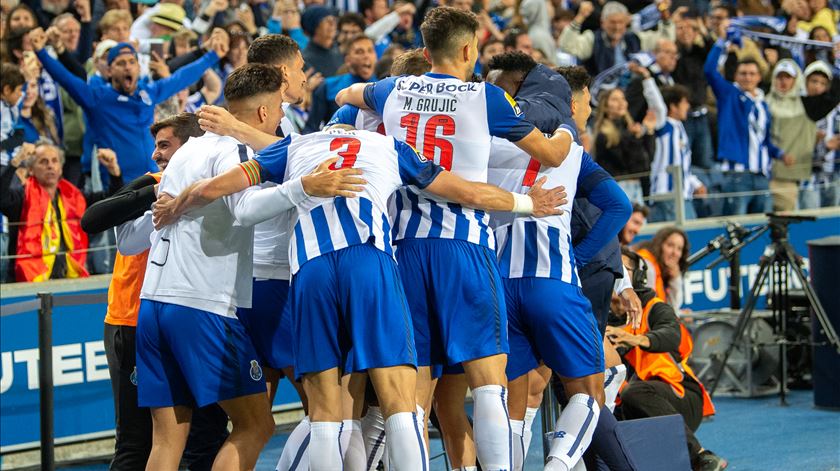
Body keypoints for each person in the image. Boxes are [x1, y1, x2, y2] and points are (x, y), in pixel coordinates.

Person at [152, 119, 567, 471]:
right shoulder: (388, 144)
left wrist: (176, 206)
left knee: (325, 411)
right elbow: (469, 193)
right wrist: (528, 203)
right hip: (369, 261)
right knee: (400, 399)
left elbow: (216, 189)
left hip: (310, 270)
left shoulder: (294, 147)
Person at [336, 7, 580, 469]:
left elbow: (350, 92)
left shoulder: (390, 89)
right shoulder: (483, 97)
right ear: (469, 48)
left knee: (411, 396)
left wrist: (351, 109)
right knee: (489, 382)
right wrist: (567, 125)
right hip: (464, 243)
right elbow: (549, 152)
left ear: (425, 51)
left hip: (403, 249)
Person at [121, 63, 364, 470]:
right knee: (256, 424)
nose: (283, 119)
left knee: (166, 441)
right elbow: (245, 210)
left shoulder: (188, 150)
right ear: (265, 113)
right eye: (281, 112)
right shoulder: (236, 149)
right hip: (202, 305)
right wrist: (302, 187)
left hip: (153, 304)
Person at [486, 60, 633, 471]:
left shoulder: (480, 145)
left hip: (496, 285)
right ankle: (559, 466)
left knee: (512, 405)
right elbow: (618, 205)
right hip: (552, 279)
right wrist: (580, 256)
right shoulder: (570, 148)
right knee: (589, 390)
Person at [80, 113, 230, 470]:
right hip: (132, 320)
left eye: (164, 145)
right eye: (156, 145)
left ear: (190, 147)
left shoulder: (219, 183)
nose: (155, 154)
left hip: (188, 319)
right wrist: (166, 191)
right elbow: (120, 239)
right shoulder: (151, 182)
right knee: (137, 442)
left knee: (205, 432)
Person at [29, 26, 230, 182]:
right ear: (109, 71)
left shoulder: (147, 93)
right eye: (121, 63)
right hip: (114, 184)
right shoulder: (96, 97)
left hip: (151, 179)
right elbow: (65, 78)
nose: (128, 67)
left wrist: (213, 55)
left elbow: (180, 78)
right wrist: (41, 52)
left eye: (132, 62)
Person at [606, 247, 726, 471]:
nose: (615, 273)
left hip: (681, 395)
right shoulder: (599, 316)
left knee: (636, 391)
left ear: (638, 278)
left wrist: (635, 339)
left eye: (623, 269)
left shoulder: (654, 307)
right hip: (629, 403)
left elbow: (672, 335)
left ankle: (700, 456)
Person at [0, 142, 122, 282]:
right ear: (31, 170)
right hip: (28, 281)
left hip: (70, 278)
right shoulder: (22, 197)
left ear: (60, 169)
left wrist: (114, 172)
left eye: (54, 161)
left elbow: (110, 203)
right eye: (43, 162)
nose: (50, 166)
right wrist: (16, 160)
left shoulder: (75, 197)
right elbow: (1, 197)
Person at [703, 29, 794, 216]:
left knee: (761, 227)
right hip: (737, 175)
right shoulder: (729, 94)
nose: (748, 77)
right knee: (738, 228)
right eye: (743, 73)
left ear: (759, 77)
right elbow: (709, 70)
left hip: (761, 174)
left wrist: (780, 153)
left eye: (752, 74)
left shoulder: (763, 104)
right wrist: (722, 40)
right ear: (736, 76)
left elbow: (764, 139)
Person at [631, 63, 706, 222]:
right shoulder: (664, 125)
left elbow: (683, 164)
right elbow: (657, 105)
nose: (688, 106)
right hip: (665, 195)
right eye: (685, 103)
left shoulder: (681, 128)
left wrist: (695, 183)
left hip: (684, 196)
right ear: (673, 106)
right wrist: (647, 79)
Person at [767, 59, 840, 211]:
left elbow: (834, 95)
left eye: (788, 77)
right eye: (780, 77)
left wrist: (838, 61)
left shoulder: (808, 105)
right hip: (770, 173)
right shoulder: (762, 102)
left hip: (802, 174)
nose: (783, 82)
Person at [558, 1, 676, 77]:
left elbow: (667, 40)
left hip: (628, 97)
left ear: (626, 23)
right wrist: (580, 16)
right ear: (603, 23)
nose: (617, 27)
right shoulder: (592, 39)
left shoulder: (634, 39)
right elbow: (567, 45)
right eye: (613, 22)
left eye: (621, 22)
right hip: (598, 98)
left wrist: (665, 14)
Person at [304, 34, 377, 133]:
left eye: (370, 51)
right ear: (348, 60)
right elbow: (311, 128)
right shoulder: (328, 86)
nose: (366, 56)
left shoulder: (384, 88)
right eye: (359, 52)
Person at [592, 87, 653, 205]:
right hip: (619, 187)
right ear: (605, 106)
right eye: (615, 99)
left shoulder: (629, 130)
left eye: (623, 99)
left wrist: (649, 133)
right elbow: (631, 164)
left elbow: (648, 160)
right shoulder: (604, 135)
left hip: (637, 187)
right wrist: (635, 138)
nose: (621, 103)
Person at [635, 226, 689, 311]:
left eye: (679, 248)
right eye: (670, 245)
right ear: (659, 245)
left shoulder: (664, 269)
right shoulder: (646, 265)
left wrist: (675, 278)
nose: (675, 253)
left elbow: (672, 307)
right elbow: (651, 309)